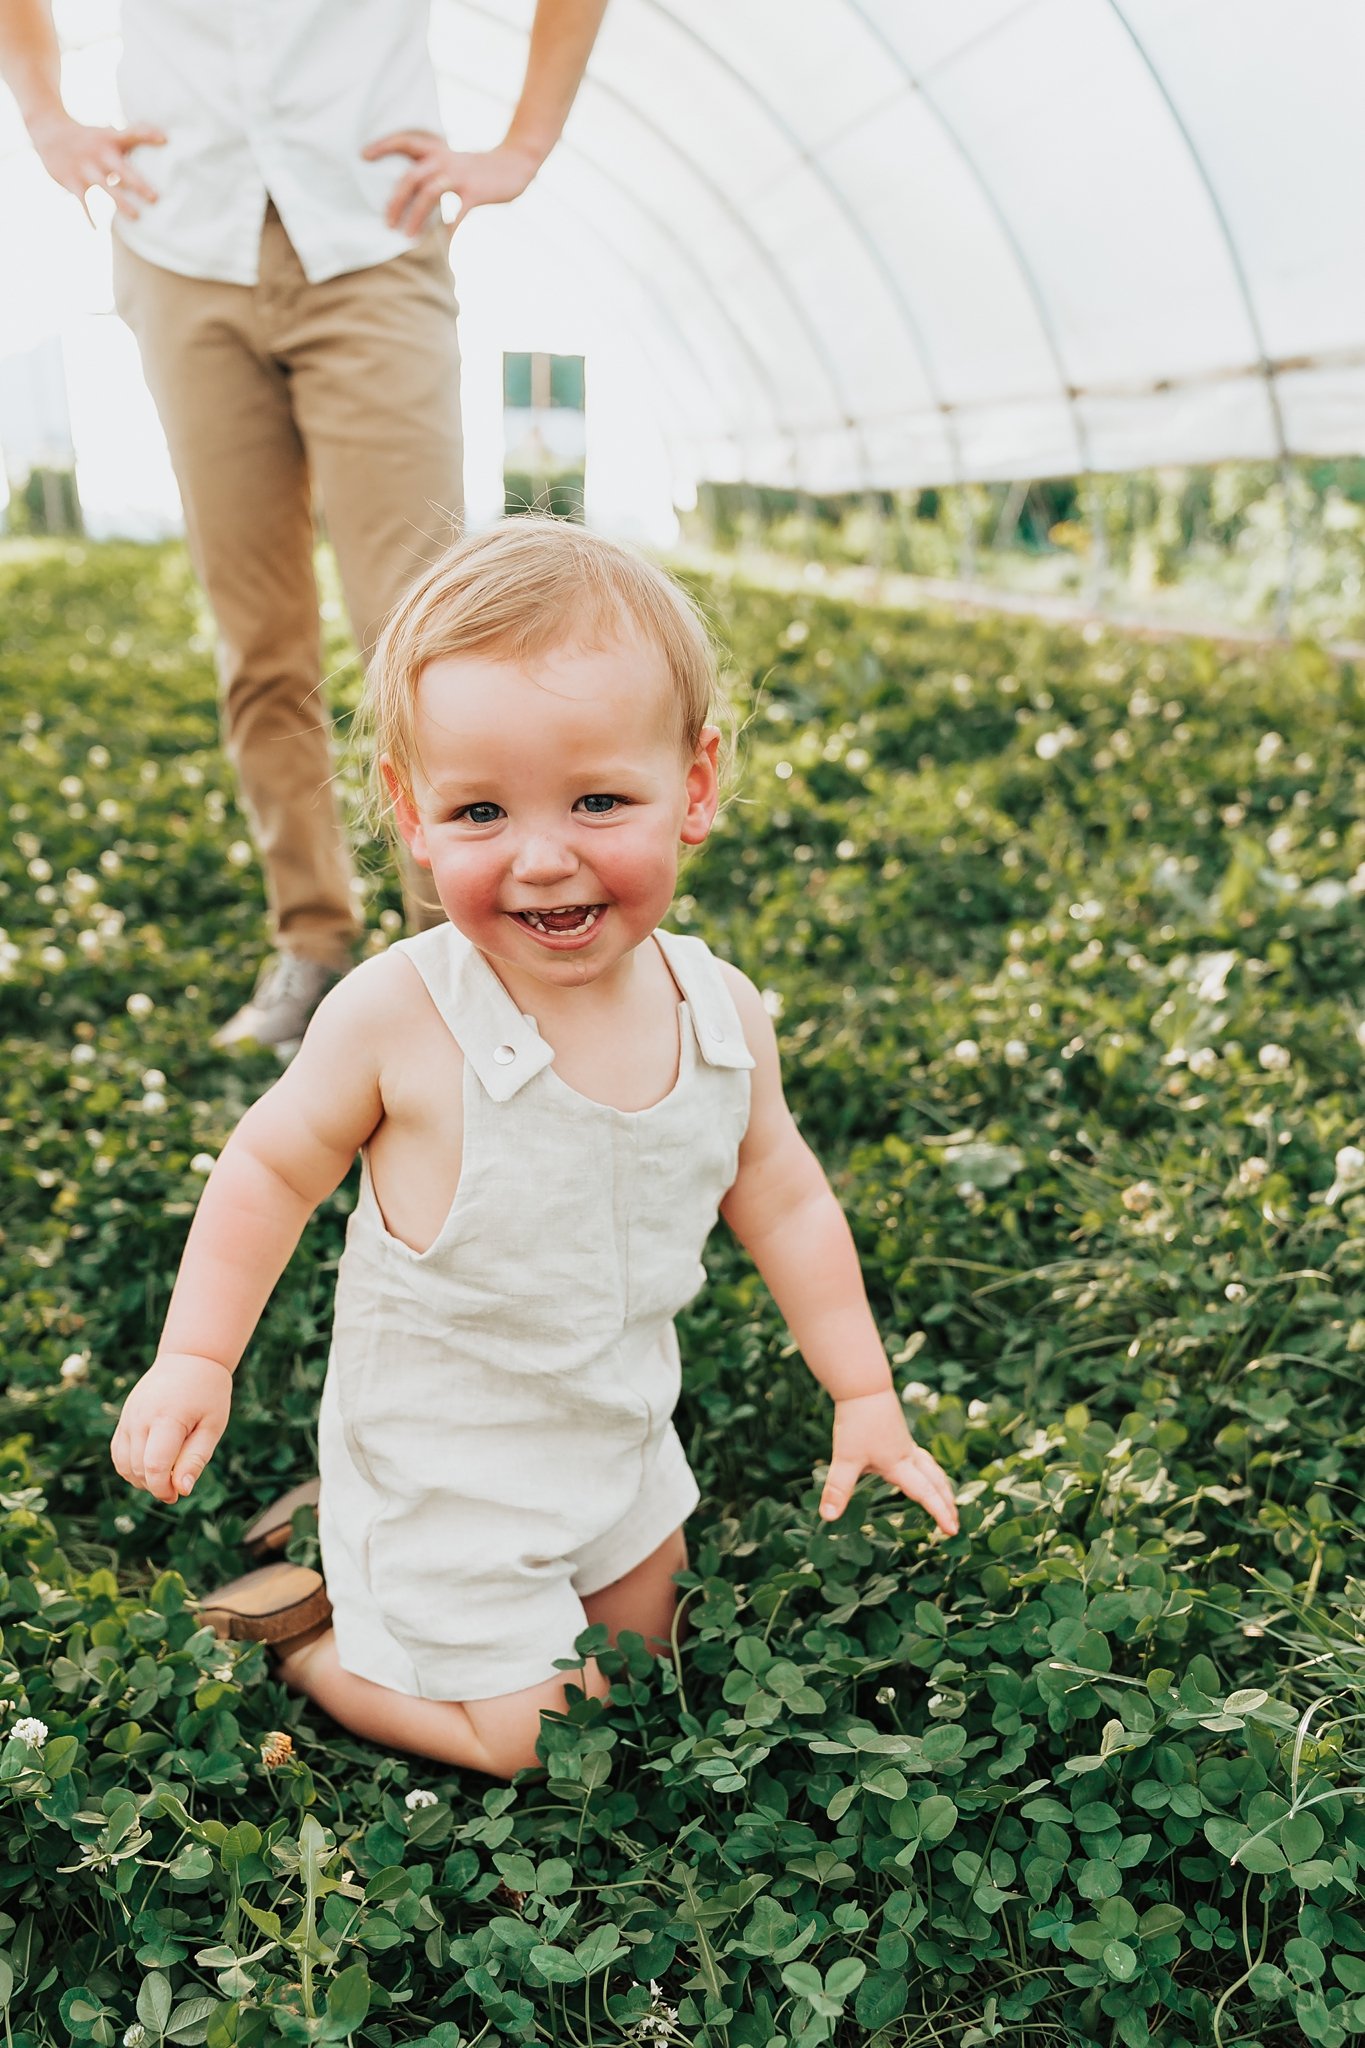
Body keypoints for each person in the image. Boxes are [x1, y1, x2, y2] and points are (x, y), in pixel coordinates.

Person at [109, 521, 960, 1778]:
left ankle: (347, 1541)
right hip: (444, 1462)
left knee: (652, 1653)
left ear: (698, 782)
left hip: (613, 1433)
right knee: (538, 1738)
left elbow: (778, 1189)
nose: (544, 853)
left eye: (600, 800)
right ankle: (305, 1630)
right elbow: (271, 1166)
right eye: (482, 809)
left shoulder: (719, 1011)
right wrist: (195, 1352)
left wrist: (865, 1391)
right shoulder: (400, 1014)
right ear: (412, 812)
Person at [0, 0, 610, 1055]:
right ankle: (313, 943)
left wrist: (524, 145)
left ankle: (462, 954)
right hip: (181, 246)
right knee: (259, 639)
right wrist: (46, 117)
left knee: (424, 639)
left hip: (369, 239)